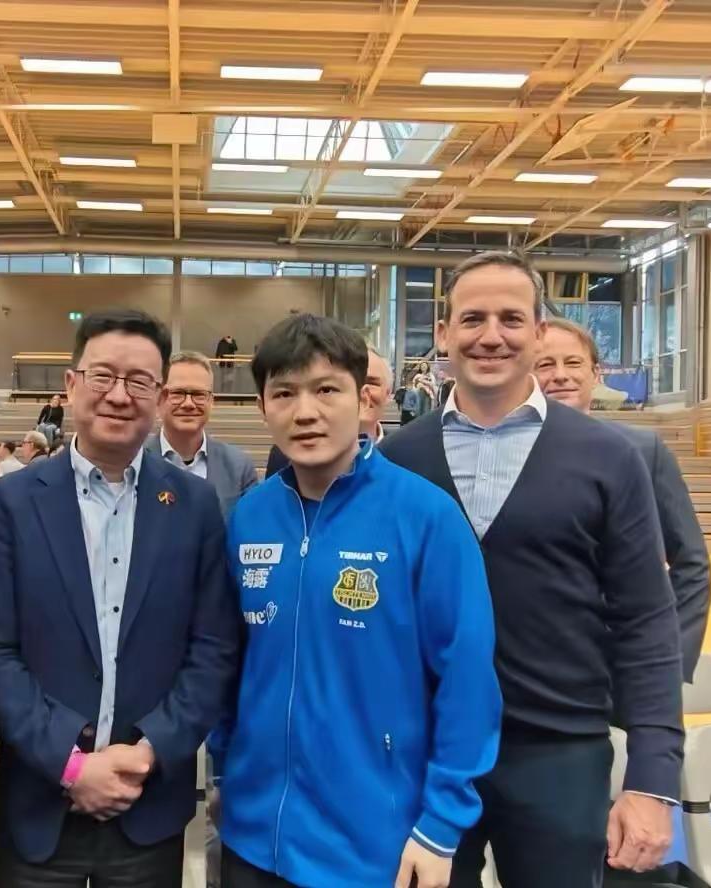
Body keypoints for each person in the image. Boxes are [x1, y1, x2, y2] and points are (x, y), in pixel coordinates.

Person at [384, 252, 684, 888]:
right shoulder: (398, 458)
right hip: (424, 752)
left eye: (511, 318)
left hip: (560, 753)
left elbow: (647, 620)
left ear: (540, 332)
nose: (491, 335)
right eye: (473, 319)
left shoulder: (607, 457)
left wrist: (652, 778)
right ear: (444, 333)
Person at [214, 314, 500, 888]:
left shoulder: (426, 517)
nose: (305, 412)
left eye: (326, 390)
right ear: (262, 407)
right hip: (254, 837)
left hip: (376, 846)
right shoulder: (249, 517)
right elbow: (229, 661)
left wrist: (440, 825)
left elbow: (467, 679)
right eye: (284, 394)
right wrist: (225, 770)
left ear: (362, 397)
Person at [0, 307, 239, 887]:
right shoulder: (9, 503)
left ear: (160, 396)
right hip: (39, 807)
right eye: (103, 376)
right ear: (71, 384)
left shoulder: (194, 507)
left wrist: (146, 753)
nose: (120, 395)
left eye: (139, 381)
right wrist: (71, 764)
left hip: (147, 805)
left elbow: (213, 648)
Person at [534, 317, 711, 681]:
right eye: (545, 364)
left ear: (596, 374)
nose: (561, 375)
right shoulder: (502, 456)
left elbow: (691, 564)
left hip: (625, 664)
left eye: (573, 363)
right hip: (530, 664)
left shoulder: (645, 451)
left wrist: (669, 662)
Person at [146, 350, 258, 516]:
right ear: (160, 398)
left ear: (211, 402)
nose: (188, 404)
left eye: (198, 394)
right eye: (178, 393)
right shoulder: (133, 460)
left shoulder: (239, 467)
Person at [265, 345, 389, 478]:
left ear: (388, 393)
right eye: (326, 389)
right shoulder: (283, 454)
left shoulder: (400, 452)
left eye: (371, 382)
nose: (359, 389)